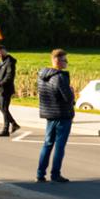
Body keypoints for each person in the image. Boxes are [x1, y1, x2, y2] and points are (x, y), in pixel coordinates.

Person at [35, 49, 75, 183]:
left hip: (49, 114)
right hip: (62, 115)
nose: (67, 63)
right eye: (64, 60)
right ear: (57, 61)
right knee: (59, 146)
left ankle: (40, 174)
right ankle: (55, 174)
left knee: (47, 144)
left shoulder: (42, 76)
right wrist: (72, 92)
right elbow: (68, 98)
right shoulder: (59, 77)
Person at [0, 46, 19, 137]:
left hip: (6, 89)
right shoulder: (3, 62)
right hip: (2, 88)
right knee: (2, 108)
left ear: (4, 51)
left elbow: (9, 76)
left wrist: (1, 83)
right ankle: (13, 124)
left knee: (3, 108)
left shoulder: (9, 62)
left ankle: (6, 129)